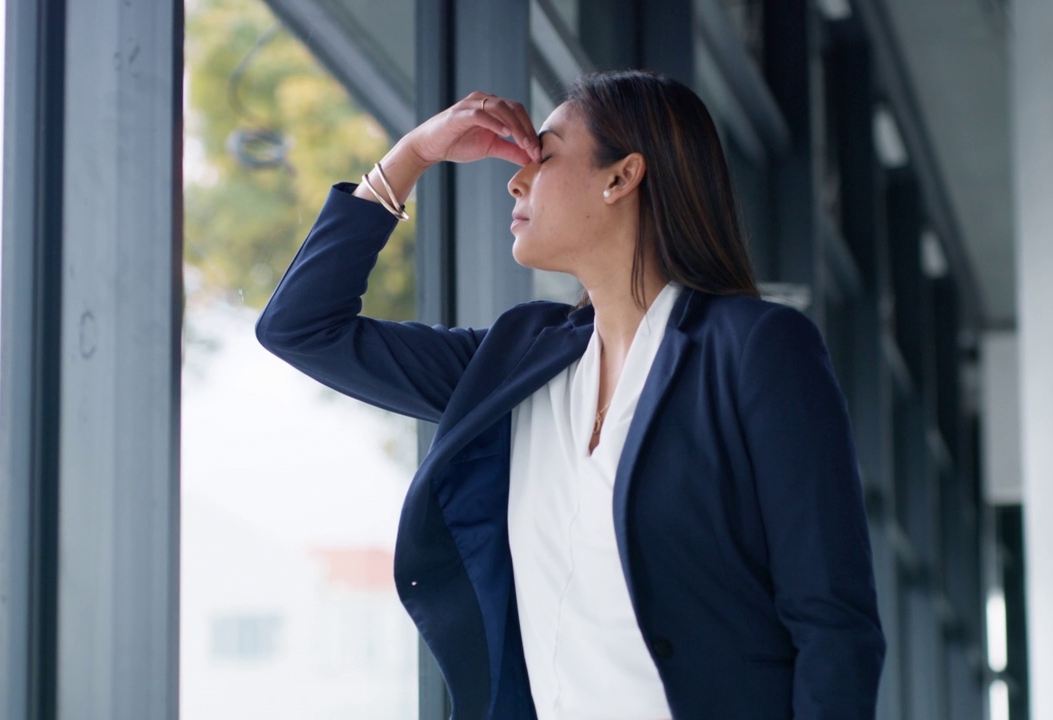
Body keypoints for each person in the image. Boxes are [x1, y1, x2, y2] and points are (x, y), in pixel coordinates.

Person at [256, 69, 885, 720]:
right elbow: (302, 327)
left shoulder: (755, 348)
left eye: (544, 156)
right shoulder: (515, 362)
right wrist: (414, 154)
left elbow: (832, 617)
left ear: (621, 177)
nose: (515, 178)